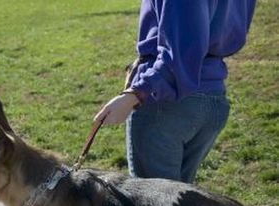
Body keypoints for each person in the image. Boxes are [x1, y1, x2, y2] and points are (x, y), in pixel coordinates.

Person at [94, 0, 257, 183]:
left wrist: (135, 93)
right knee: (181, 200)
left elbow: (180, 52)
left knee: (154, 204)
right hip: (213, 93)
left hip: (167, 103)